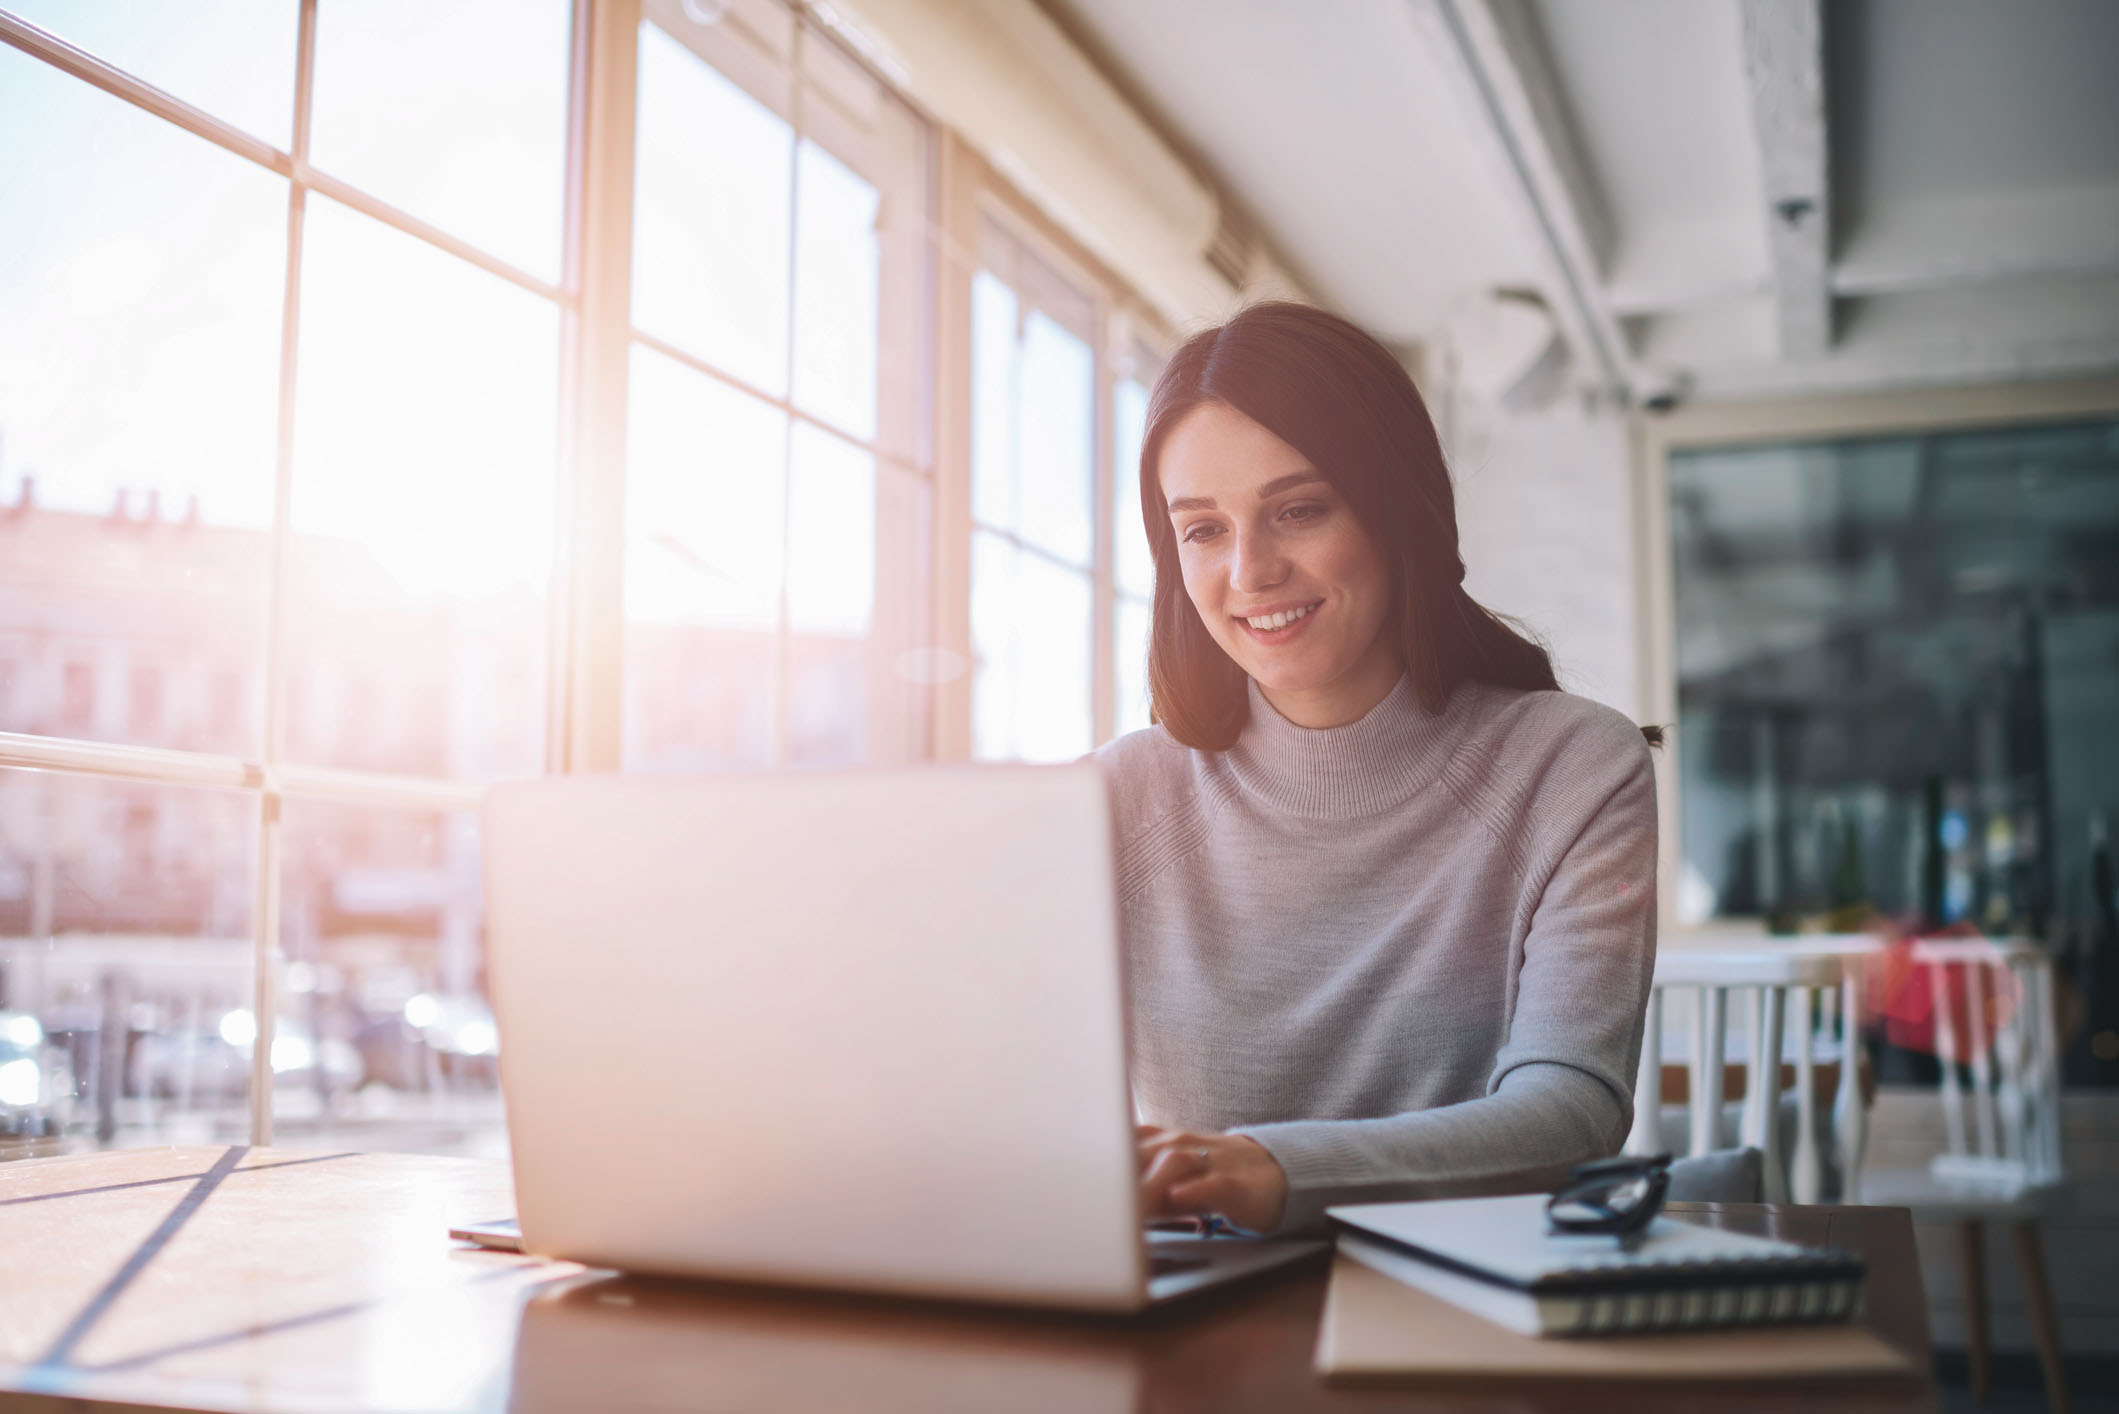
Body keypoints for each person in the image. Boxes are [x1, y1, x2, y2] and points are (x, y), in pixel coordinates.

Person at [1098, 302, 1660, 1236]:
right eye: (1201, 530)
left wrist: (1273, 1169)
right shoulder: (1112, 800)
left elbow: (1571, 1114)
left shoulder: (1570, 766)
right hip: (1193, 1315)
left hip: (1467, 1306)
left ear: (1397, 510)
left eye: (1298, 510)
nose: (1250, 571)